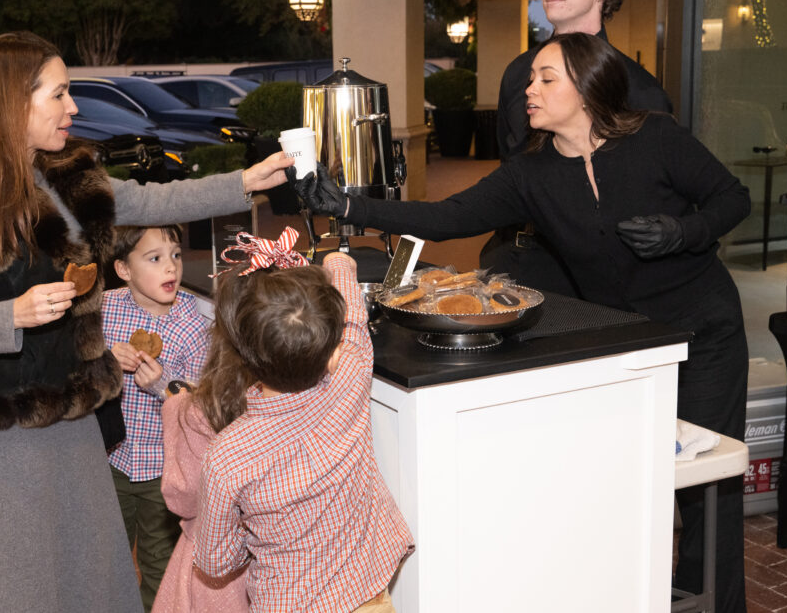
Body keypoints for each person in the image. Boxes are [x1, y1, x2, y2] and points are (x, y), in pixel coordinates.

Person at [294, 32, 750, 613]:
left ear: (587, 88)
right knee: (626, 481)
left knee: (711, 491)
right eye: (531, 78)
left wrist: (682, 232)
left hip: (704, 330)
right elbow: (447, 215)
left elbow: (732, 198)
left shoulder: (657, 137)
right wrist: (348, 206)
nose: (528, 89)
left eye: (545, 78)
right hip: (631, 343)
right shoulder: (531, 173)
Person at [0, 30, 292, 613]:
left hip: (75, 420)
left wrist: (244, 182)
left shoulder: (64, 175)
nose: (72, 108)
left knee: (88, 581)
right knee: (14, 589)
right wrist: (13, 315)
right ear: (13, 101)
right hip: (0, 436)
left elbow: (153, 202)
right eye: (58, 95)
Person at [191, 244, 415, 613]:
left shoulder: (226, 456)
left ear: (245, 354)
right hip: (365, 597)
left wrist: (247, 536)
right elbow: (354, 319)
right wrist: (339, 262)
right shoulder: (350, 376)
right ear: (333, 355)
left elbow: (214, 563)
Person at [482, 0, 674, 295]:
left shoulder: (640, 89)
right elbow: (510, 170)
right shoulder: (517, 74)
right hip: (520, 260)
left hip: (599, 276)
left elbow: (653, 201)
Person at [103, 224, 210, 610]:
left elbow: (200, 405)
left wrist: (162, 383)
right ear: (123, 270)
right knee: (106, 559)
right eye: (155, 258)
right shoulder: (105, 309)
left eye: (176, 256)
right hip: (110, 461)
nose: (171, 268)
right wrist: (104, 361)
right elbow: (73, 366)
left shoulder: (192, 326)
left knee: (159, 565)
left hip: (163, 472)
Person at [151, 257, 258, 613]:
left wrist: (176, 405)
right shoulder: (312, 395)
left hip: (216, 579)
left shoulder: (196, 411)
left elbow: (182, 497)